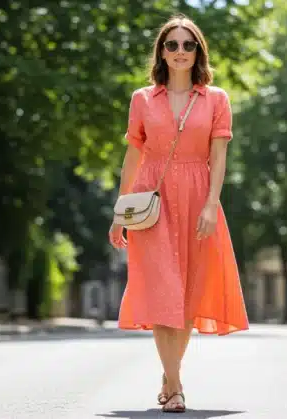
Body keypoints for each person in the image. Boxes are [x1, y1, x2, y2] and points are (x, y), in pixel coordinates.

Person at [108, 14, 249, 413]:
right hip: (152, 201)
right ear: (162, 52)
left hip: (197, 198)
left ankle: (170, 376)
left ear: (198, 51)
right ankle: (176, 386)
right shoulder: (141, 99)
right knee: (161, 292)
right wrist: (120, 212)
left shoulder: (216, 99)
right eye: (173, 45)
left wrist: (211, 205)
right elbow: (132, 157)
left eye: (189, 45)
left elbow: (219, 158)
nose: (181, 52)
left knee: (186, 297)